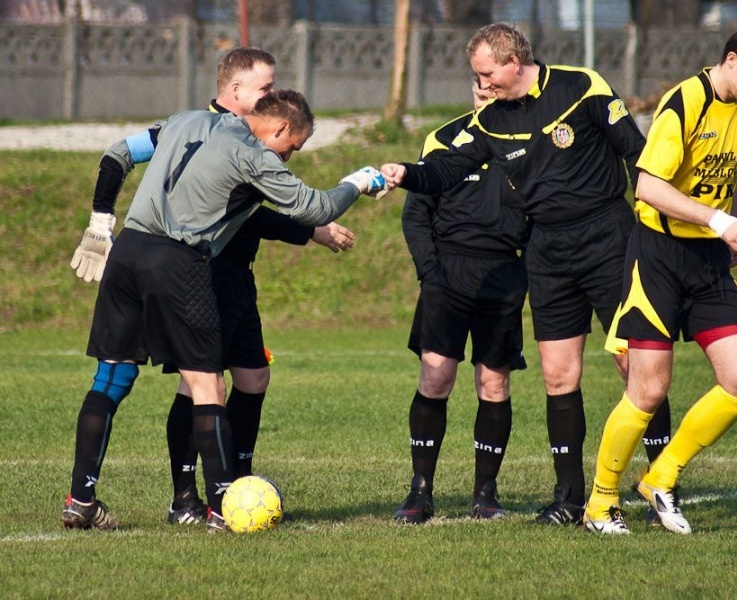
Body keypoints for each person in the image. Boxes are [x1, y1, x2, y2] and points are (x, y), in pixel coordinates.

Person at [381, 23, 671, 526]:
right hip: (547, 252)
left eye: (486, 74)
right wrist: (407, 172)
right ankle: (569, 498)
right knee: (558, 375)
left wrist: (653, 227)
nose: (481, 84)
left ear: (513, 62)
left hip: (609, 239)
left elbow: (635, 152)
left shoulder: (581, 86)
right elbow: (447, 170)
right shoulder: (491, 120)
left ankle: (663, 482)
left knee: (636, 366)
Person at [63, 89, 386, 531]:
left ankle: (80, 498)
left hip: (127, 251)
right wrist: (359, 182)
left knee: (112, 374)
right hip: (179, 261)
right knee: (207, 384)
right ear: (280, 126)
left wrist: (101, 218)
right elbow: (317, 207)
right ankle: (220, 508)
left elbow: (120, 152)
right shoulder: (253, 154)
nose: (289, 156)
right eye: (293, 147)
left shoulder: (184, 119)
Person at [582, 22, 737, 535]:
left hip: (707, 259)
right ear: (732, 60)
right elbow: (649, 187)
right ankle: (599, 503)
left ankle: (660, 478)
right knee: (648, 390)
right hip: (659, 257)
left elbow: (728, 174)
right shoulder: (684, 102)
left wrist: (728, 225)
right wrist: (718, 221)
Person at [393, 81, 529, 524]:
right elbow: (416, 213)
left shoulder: (528, 140)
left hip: (503, 275)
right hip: (447, 275)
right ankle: (420, 491)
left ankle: (486, 493)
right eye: (478, 85)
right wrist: (431, 274)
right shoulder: (444, 139)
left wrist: (526, 269)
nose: (485, 93)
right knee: (436, 379)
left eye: (494, 86)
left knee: (494, 384)